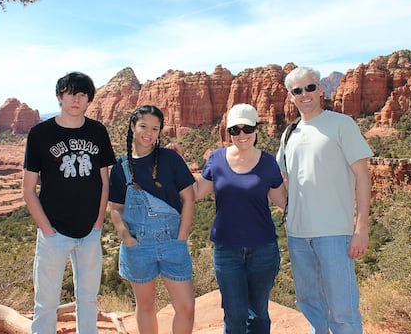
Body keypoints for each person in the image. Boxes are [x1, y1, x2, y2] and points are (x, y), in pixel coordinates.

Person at [276, 66, 373, 334]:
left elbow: (363, 177)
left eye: (309, 87)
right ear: (290, 96)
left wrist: (361, 228)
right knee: (310, 304)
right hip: (297, 236)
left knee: (343, 310)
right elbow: (281, 180)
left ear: (321, 89)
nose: (304, 94)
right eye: (297, 90)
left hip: (334, 233)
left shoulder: (342, 124)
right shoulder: (289, 133)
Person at [22, 71, 116, 334]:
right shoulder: (40, 134)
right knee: (45, 304)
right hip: (54, 234)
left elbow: (104, 182)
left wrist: (98, 224)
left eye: (83, 94)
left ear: (89, 100)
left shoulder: (97, 131)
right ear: (60, 96)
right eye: (71, 93)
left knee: (88, 300)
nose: (77, 99)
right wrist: (47, 230)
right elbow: (28, 190)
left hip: (90, 234)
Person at [192, 103, 288, 334]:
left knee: (258, 314)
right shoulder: (216, 159)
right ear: (228, 132)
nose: (242, 135)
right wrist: (171, 166)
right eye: (235, 130)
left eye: (247, 129)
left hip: (263, 249)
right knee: (235, 316)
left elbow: (283, 202)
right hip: (227, 250)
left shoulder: (268, 163)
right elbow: (196, 192)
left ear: (257, 129)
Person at [108, 105, 196, 334]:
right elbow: (115, 208)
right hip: (138, 246)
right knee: (145, 306)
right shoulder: (121, 167)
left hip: (172, 243)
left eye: (155, 128)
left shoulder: (170, 159)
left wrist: (181, 237)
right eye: (144, 126)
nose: (149, 132)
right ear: (132, 126)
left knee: (186, 307)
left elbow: (189, 198)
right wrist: (125, 236)